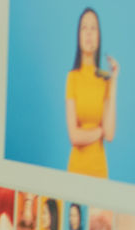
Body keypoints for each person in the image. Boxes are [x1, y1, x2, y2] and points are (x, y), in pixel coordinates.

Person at [66, 8, 119, 179]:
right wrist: (99, 132)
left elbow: (109, 133)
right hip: (76, 168)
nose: (89, 33)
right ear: (78, 36)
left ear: (99, 36)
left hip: (99, 169)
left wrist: (114, 80)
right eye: (84, 28)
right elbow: (74, 136)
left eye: (93, 28)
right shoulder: (72, 77)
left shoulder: (106, 79)